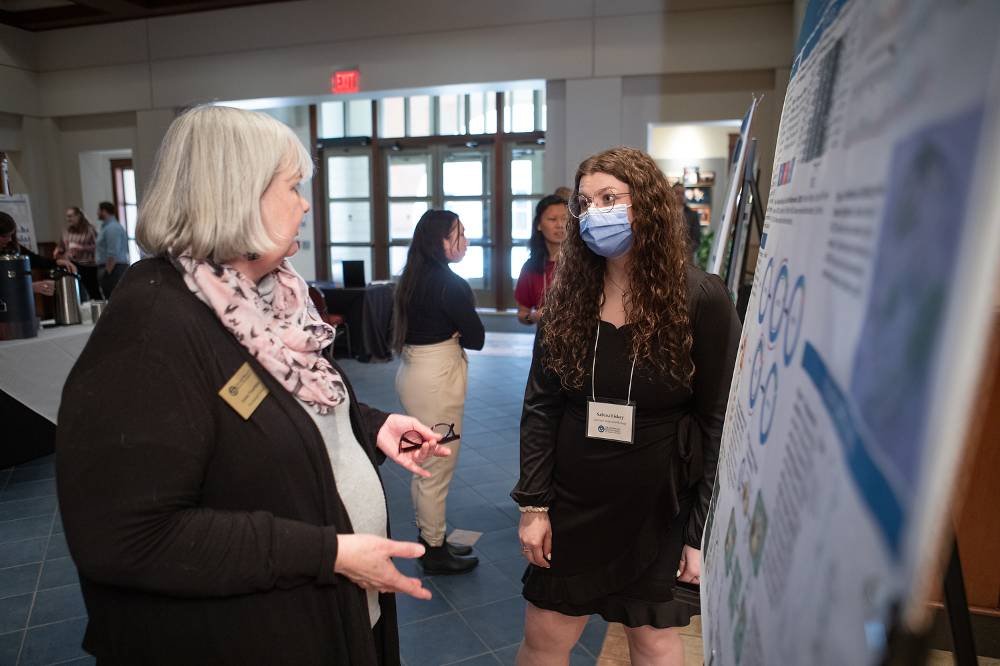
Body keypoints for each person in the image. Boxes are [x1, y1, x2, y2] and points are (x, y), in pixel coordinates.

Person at [56, 105, 452, 665]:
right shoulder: (153, 328)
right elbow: (125, 537)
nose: (305, 204)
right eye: (292, 186)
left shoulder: (268, 298)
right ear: (236, 196)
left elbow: (278, 408)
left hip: (330, 615)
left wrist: (371, 426)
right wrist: (327, 553)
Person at [511, 147, 740, 665]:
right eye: (585, 202)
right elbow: (541, 407)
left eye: (610, 198)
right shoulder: (567, 296)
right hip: (573, 500)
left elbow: (718, 422)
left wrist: (700, 533)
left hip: (661, 503)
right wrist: (533, 506)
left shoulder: (701, 297)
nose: (594, 212)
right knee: (544, 636)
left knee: (653, 641)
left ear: (648, 205)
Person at [392, 209, 484, 575]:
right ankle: (434, 550)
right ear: (440, 242)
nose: (466, 241)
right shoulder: (451, 284)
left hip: (414, 375)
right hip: (437, 382)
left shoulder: (411, 278)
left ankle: (431, 537)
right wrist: (458, 331)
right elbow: (476, 337)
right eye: (459, 234)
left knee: (423, 464)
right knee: (436, 468)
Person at [514, 195, 568, 325]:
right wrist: (533, 317)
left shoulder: (584, 263)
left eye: (565, 219)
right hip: (545, 334)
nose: (560, 225)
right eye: (552, 219)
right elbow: (522, 314)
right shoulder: (531, 267)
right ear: (539, 225)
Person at [0, 211, 76, 297]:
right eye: (4, 236)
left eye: (11, 235)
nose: (9, 239)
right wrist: (30, 287)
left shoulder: (11, 246)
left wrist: (57, 262)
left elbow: (35, 260)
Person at [53, 206, 100, 300]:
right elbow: (61, 246)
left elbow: (97, 246)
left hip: (88, 266)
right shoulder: (67, 231)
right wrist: (58, 250)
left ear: (78, 216)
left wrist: (81, 247)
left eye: (70, 216)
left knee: (93, 292)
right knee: (76, 293)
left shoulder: (90, 229)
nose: (68, 219)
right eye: (67, 216)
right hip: (72, 265)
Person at [95, 201, 130, 298]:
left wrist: (107, 273)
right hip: (112, 268)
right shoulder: (106, 227)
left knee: (113, 298)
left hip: (114, 269)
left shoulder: (112, 228)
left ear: (104, 211)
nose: (97, 213)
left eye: (98, 210)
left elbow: (113, 252)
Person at [673, 182, 702, 259]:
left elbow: (696, 239)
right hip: (669, 256)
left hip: (687, 257)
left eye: (682, 193)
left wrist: (685, 252)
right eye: (677, 193)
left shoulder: (692, 215)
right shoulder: (666, 214)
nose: (680, 196)